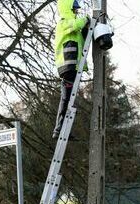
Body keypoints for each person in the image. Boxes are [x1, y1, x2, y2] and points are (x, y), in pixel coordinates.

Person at [52, 0, 89, 139]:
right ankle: (59, 129)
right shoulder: (63, 23)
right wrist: (86, 19)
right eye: (74, 9)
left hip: (73, 67)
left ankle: (63, 129)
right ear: (68, 9)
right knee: (66, 98)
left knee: (69, 100)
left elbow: (82, 42)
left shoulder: (75, 30)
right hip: (67, 66)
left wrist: (87, 28)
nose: (76, 12)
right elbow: (76, 24)